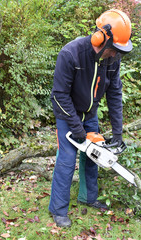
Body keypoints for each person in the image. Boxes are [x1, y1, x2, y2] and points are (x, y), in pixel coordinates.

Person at [49, 9, 133, 228]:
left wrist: (117, 133)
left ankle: (88, 197)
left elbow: (114, 93)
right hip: (67, 114)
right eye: (114, 49)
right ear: (101, 38)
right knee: (67, 161)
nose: (115, 54)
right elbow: (59, 95)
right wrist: (76, 128)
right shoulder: (71, 53)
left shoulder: (112, 61)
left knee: (95, 156)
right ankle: (58, 210)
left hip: (90, 114)